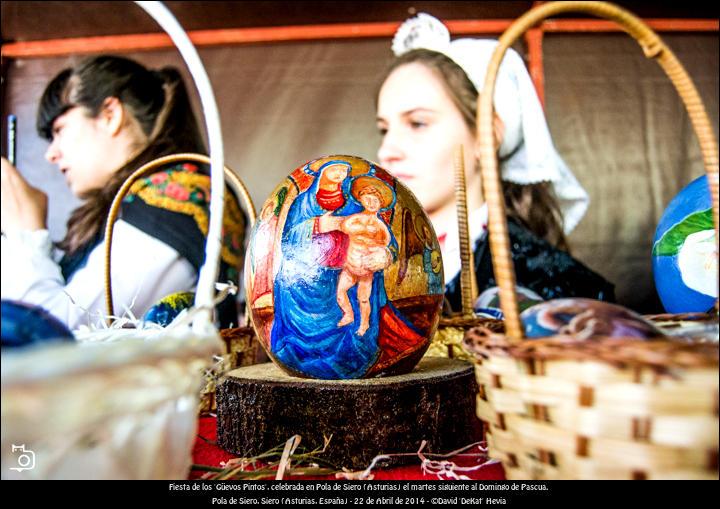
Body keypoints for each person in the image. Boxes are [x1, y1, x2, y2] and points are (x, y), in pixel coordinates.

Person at [375, 13, 615, 311]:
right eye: (384, 129)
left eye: (418, 123)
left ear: (486, 135)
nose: (387, 150)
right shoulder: (367, 267)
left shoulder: (561, 288)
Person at [1, 55, 245, 330]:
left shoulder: (174, 203)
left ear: (110, 115)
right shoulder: (135, 206)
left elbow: (57, 333)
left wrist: (27, 232)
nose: (51, 153)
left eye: (60, 130)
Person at [321, 177, 394, 336]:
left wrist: (382, 255)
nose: (371, 203)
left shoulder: (381, 226)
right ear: (361, 200)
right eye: (367, 199)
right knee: (340, 292)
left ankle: (364, 324)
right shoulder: (352, 219)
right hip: (350, 265)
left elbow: (386, 244)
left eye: (375, 200)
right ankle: (348, 314)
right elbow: (337, 228)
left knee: (363, 299)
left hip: (366, 269)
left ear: (381, 203)